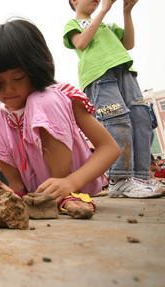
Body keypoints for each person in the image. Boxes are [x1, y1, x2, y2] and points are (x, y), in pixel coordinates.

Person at [0, 19, 120, 218]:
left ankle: (66, 194)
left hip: (74, 184)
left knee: (41, 100)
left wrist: (70, 182)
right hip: (33, 191)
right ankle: (18, 193)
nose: (8, 89)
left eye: (18, 78)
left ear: (35, 68)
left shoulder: (59, 97)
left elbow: (109, 148)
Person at [64, 0, 162, 198]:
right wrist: (105, 9)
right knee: (117, 122)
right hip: (99, 76)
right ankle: (120, 179)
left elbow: (129, 43)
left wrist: (127, 12)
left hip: (124, 71)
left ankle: (140, 178)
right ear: (74, 1)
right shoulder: (73, 25)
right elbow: (82, 43)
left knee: (141, 120)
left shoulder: (107, 27)